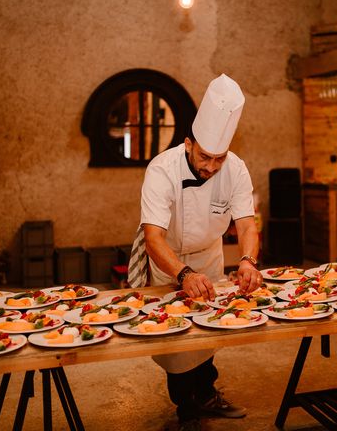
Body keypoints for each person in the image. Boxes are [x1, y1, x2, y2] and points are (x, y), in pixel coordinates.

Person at [128, 74, 261, 431]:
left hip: (210, 257)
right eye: (205, 156)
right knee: (176, 342)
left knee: (209, 332)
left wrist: (248, 260)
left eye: (219, 158)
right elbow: (154, 237)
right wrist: (183, 275)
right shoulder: (161, 169)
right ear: (188, 143)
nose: (212, 166)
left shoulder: (235, 169)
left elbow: (247, 224)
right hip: (169, 260)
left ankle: (207, 393)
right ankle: (186, 409)